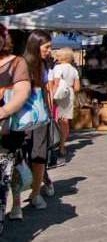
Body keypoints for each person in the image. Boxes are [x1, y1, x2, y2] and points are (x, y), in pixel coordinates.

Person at [0, 24, 32, 231]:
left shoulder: (16, 63)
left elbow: (22, 93)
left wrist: (2, 113)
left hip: (4, 132)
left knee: (1, 180)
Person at [22, 30, 55, 211]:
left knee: (39, 153)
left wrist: (50, 113)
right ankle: (43, 179)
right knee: (23, 154)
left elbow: (46, 90)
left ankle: (35, 194)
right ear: (36, 46)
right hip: (22, 117)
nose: (49, 50)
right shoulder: (22, 64)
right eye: (47, 47)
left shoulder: (43, 65)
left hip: (41, 116)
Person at [50, 47, 80, 163]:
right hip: (69, 95)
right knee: (65, 121)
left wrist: (51, 95)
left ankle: (55, 143)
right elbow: (77, 88)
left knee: (55, 119)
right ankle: (62, 146)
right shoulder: (74, 70)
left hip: (58, 94)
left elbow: (56, 83)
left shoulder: (57, 68)